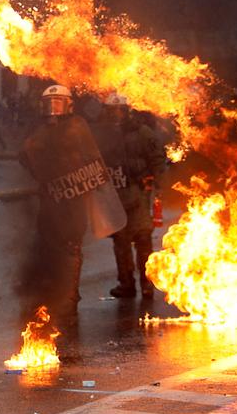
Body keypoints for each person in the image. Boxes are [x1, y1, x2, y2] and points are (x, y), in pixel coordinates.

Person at [16, 85, 95, 332]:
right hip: (50, 200)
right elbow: (25, 156)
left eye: (58, 103)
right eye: (49, 103)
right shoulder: (39, 131)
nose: (53, 109)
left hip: (73, 201)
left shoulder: (78, 127)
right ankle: (48, 299)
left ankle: (69, 301)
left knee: (71, 250)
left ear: (69, 105)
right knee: (49, 249)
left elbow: (93, 160)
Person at [94, 95, 166, 299]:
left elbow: (158, 159)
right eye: (111, 111)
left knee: (143, 238)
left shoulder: (143, 133)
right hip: (115, 194)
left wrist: (157, 186)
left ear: (126, 111)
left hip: (138, 192)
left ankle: (147, 284)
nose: (114, 115)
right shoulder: (103, 135)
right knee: (121, 241)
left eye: (118, 111)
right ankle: (126, 284)